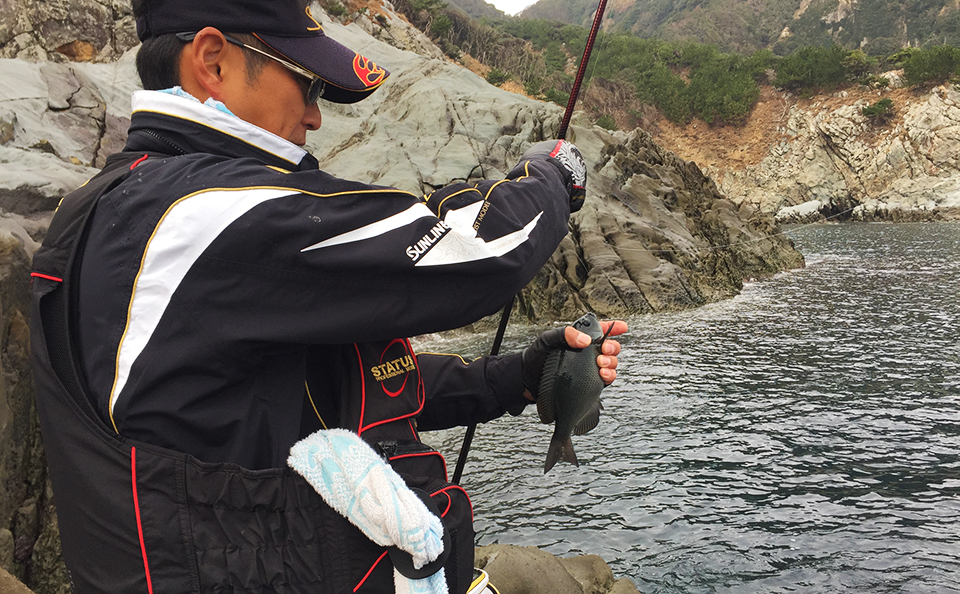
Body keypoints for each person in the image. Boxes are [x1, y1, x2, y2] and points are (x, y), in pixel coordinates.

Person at [28, 0, 626, 593]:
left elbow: (335, 389)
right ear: (212, 61)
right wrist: (550, 174)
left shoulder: (116, 207)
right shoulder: (201, 217)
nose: (315, 118)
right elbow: (481, 248)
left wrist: (519, 377)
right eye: (308, 85)